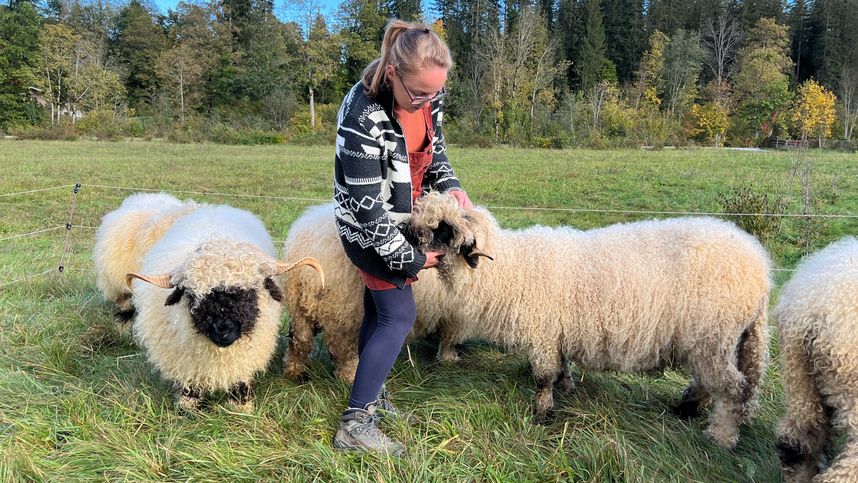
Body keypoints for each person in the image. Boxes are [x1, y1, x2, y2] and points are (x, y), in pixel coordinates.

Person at [331, 18, 473, 456]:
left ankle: (373, 395)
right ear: (392, 73)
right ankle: (355, 425)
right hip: (368, 231)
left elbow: (437, 151)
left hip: (406, 219)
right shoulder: (362, 116)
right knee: (399, 315)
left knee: (379, 312)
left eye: (436, 93)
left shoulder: (427, 97)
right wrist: (412, 260)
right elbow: (366, 208)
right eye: (420, 94)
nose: (429, 101)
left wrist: (450, 186)